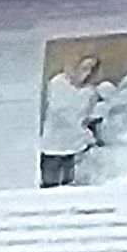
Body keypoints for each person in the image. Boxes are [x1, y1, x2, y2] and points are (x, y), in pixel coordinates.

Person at [40, 52, 112, 187]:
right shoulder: (58, 83)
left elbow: (90, 116)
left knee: (69, 186)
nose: (88, 73)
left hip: (74, 145)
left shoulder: (91, 92)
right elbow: (52, 109)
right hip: (52, 143)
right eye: (85, 68)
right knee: (49, 185)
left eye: (92, 70)